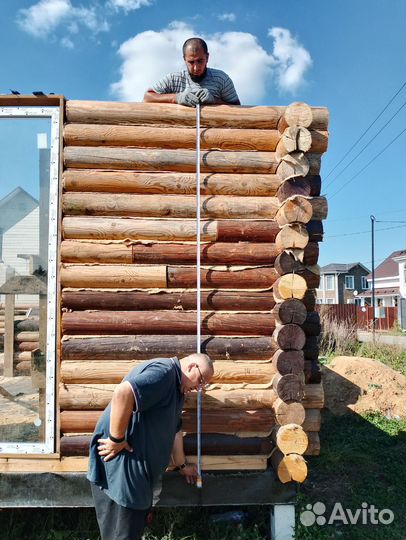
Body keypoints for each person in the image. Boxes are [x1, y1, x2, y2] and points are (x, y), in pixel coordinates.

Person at [87, 352, 214, 540]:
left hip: (138, 481)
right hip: (123, 476)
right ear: (191, 367)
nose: (199, 388)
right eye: (201, 381)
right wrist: (116, 439)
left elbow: (174, 428)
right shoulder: (164, 373)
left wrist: (181, 465)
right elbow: (124, 392)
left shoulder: (177, 388)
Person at [144, 37, 240, 107]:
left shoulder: (221, 79)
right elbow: (147, 97)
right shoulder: (173, 79)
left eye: (200, 61)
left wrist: (214, 100)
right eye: (191, 62)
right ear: (184, 59)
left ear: (207, 57)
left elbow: (238, 108)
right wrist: (176, 98)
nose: (196, 67)